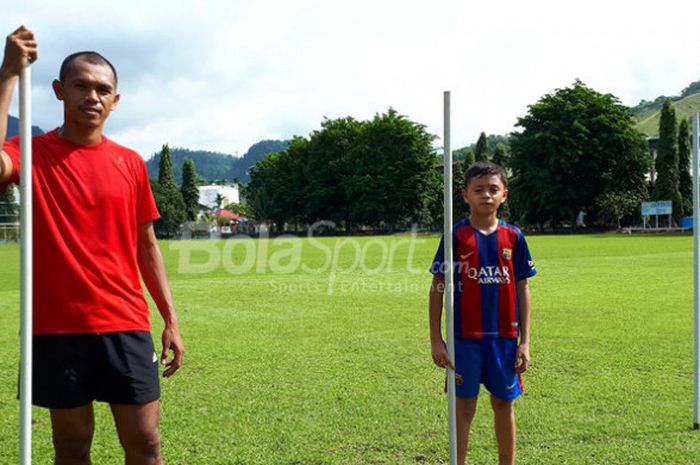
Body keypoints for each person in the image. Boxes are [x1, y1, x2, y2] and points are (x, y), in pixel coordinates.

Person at [0, 26, 184, 465]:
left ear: (116, 100)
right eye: (81, 86)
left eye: (103, 89)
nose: (93, 96)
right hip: (55, 328)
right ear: (59, 90)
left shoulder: (130, 163)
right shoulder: (30, 150)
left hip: (125, 322)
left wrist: (171, 319)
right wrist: (7, 74)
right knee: (72, 444)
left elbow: (147, 247)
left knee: (145, 443)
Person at [428, 161, 536, 465]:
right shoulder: (455, 237)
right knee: (464, 407)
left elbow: (523, 289)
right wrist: (437, 340)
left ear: (504, 194)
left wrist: (524, 342)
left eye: (493, 189)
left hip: (504, 339)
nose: (486, 195)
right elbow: (438, 287)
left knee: (503, 403)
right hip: (464, 339)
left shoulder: (514, 237)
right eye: (478, 190)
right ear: (465, 195)